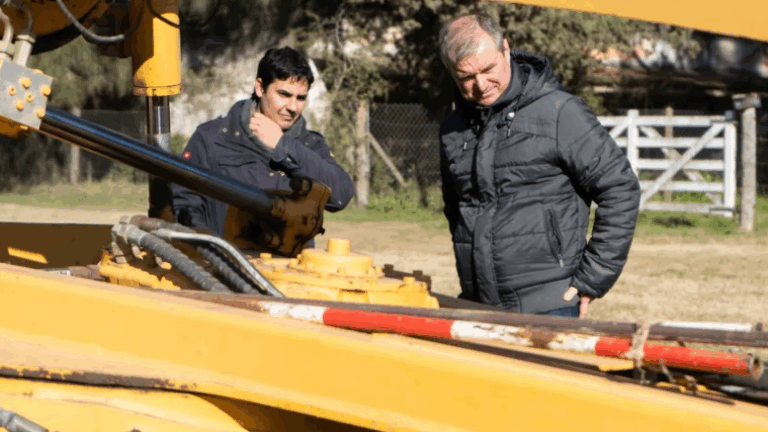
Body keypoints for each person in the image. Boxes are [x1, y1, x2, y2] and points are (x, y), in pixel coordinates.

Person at [438, 13, 641, 318]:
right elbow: (457, 208)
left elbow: (620, 189)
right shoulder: (453, 129)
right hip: (476, 304)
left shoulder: (560, 112)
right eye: (466, 77)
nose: (480, 84)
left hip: (550, 305)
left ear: (506, 50)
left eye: (488, 69)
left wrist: (595, 275)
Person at [173, 47, 354, 239]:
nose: (293, 107)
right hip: (226, 264)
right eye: (284, 94)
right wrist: (213, 255)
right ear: (260, 88)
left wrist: (283, 145)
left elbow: (340, 197)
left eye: (300, 98)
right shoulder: (212, 137)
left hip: (290, 267)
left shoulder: (310, 145)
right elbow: (185, 205)